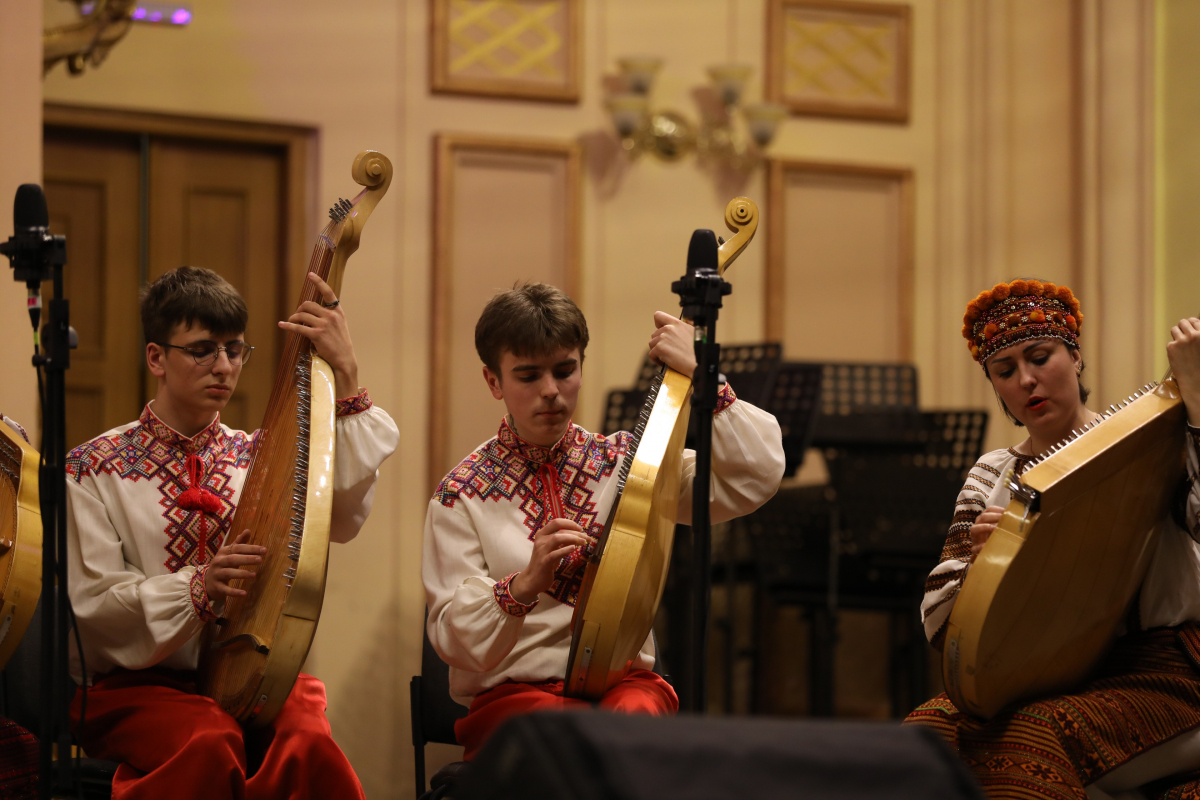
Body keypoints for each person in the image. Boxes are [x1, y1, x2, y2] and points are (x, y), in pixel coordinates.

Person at [65, 267, 399, 800]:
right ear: (156, 358)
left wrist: (348, 376)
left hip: (251, 676)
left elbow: (339, 519)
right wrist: (197, 589)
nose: (223, 367)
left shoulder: (261, 457)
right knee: (209, 738)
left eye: (235, 350)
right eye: (202, 350)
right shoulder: (92, 468)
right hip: (135, 687)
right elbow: (93, 611)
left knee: (307, 739)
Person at [422, 282, 786, 760]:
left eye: (564, 370)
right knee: (564, 750)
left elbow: (754, 477)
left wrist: (706, 378)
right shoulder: (461, 493)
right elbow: (453, 638)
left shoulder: (628, 464)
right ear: (494, 382)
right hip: (515, 698)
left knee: (629, 732)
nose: (551, 391)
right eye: (528, 376)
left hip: (624, 686)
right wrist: (525, 584)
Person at [908, 278, 1200, 800]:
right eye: (1006, 371)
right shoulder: (991, 473)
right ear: (995, 386)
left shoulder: (1149, 442)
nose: (1026, 380)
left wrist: (1197, 402)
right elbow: (938, 616)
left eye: (1040, 357)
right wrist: (987, 565)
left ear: (1076, 357)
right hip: (1032, 672)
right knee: (919, 738)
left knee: (1028, 739)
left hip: (1161, 671)